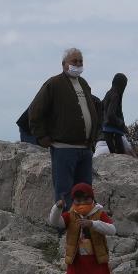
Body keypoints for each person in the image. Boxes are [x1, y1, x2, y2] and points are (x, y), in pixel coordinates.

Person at [28, 48, 101, 208]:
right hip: (63, 149)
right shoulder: (54, 84)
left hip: (85, 148)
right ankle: (64, 227)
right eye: (74, 61)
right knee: (64, 191)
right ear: (64, 64)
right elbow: (35, 110)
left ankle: (83, 227)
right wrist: (42, 136)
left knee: (85, 191)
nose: (78, 64)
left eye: (80, 61)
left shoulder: (83, 84)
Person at [47, 183, 116, 274]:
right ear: (73, 201)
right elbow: (55, 222)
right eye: (78, 200)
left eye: (86, 199)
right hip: (77, 272)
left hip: (98, 272)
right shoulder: (71, 215)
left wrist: (93, 224)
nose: (82, 203)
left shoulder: (99, 213)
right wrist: (57, 208)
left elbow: (112, 229)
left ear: (93, 199)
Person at [101, 73, 129, 154]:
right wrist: (122, 124)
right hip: (113, 130)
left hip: (106, 129)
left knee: (114, 153)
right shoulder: (116, 96)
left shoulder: (108, 93)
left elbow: (102, 108)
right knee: (120, 154)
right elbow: (111, 114)